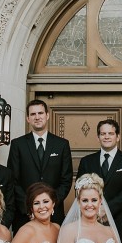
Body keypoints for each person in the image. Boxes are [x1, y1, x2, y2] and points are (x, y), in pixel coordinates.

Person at [8, 98, 73, 230]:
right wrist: (29, 206)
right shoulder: (17, 144)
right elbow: (12, 180)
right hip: (24, 215)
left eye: (40, 113)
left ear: (47, 115)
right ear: (28, 119)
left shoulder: (62, 144)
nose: (37, 117)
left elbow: (66, 180)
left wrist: (50, 204)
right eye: (33, 114)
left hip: (54, 215)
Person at [76, 118, 122, 227]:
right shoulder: (86, 161)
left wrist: (107, 209)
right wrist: (95, 208)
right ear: (98, 137)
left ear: (118, 137)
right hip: (91, 217)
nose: (106, 137)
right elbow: (79, 189)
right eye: (103, 134)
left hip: (120, 218)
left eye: (110, 133)